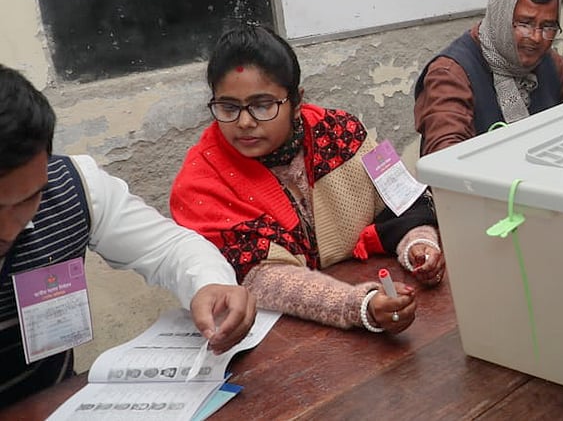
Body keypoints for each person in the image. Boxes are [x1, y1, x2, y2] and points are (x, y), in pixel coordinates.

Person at [0, 65, 255, 404]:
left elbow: (171, 248)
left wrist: (211, 285)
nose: (9, 229)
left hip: (55, 405)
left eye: (28, 199)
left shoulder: (74, 187)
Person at [170, 26, 442, 337]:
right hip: (274, 337)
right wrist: (359, 305)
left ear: (297, 101)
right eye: (228, 107)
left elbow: (405, 200)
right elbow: (261, 278)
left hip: (380, 306)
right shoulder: (201, 182)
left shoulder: (343, 133)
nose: (244, 122)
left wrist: (420, 246)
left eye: (262, 105)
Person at [414, 0, 563, 155]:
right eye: (525, 24)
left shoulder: (550, 63)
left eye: (548, 27)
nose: (536, 37)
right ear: (501, 17)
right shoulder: (451, 73)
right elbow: (446, 156)